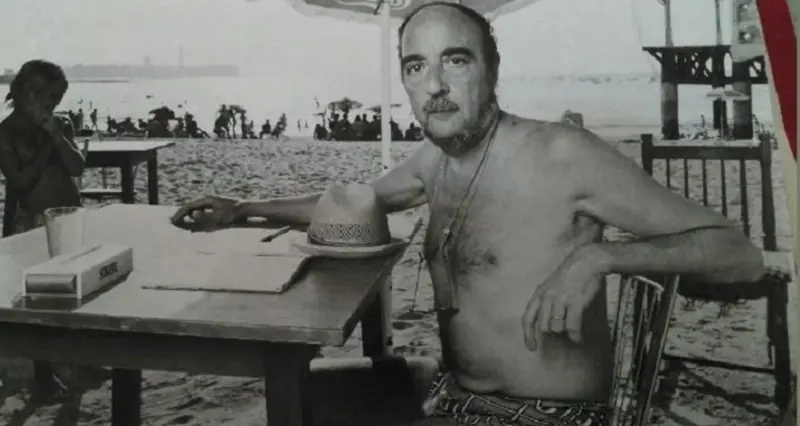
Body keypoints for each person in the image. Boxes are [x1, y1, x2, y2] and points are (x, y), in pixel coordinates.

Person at [171, 3, 764, 425]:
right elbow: (350, 205)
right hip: (452, 395)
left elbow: (738, 253)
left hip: (546, 415)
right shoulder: (435, 160)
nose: (434, 84)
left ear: (492, 70)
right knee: (287, 400)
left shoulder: (562, 154)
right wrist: (242, 208)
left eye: (455, 61)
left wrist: (600, 258)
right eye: (415, 67)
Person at [0, 59, 86, 399]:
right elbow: (19, 181)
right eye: (38, 94)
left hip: (68, 217)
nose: (46, 103)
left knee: (73, 288)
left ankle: (77, 359)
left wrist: (56, 136)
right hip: (30, 221)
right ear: (19, 92)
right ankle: (43, 373)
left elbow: (77, 166)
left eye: (54, 97)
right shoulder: (6, 131)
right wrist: (47, 147)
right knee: (35, 299)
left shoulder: (61, 125)